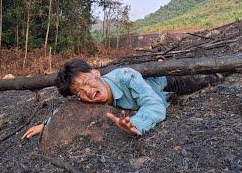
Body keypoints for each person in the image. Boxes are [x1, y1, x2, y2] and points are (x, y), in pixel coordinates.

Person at [22, 59, 223, 139]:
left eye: (87, 82)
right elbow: (69, 108)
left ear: (96, 73)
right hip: (153, 90)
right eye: (80, 91)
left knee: (202, 81)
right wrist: (46, 124)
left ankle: (221, 72)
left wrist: (136, 123)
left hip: (164, 82)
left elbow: (153, 105)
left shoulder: (126, 76)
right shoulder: (83, 98)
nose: (87, 91)